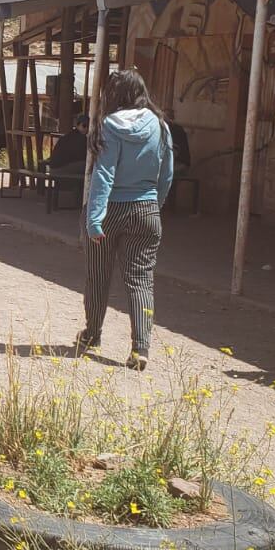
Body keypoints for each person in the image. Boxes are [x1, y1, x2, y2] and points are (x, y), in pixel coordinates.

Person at [77, 70, 174, 372]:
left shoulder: (110, 125)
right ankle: (140, 348)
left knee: (98, 276)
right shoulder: (160, 126)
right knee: (141, 280)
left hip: (112, 211)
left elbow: (103, 174)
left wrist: (95, 218)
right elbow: (167, 173)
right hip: (146, 209)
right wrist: (153, 205)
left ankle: (92, 336)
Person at [45, 112, 89, 177]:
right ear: (77, 125)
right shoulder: (79, 138)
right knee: (88, 166)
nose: (86, 128)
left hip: (54, 169)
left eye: (88, 126)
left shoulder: (69, 135)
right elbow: (82, 156)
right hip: (59, 170)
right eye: (84, 126)